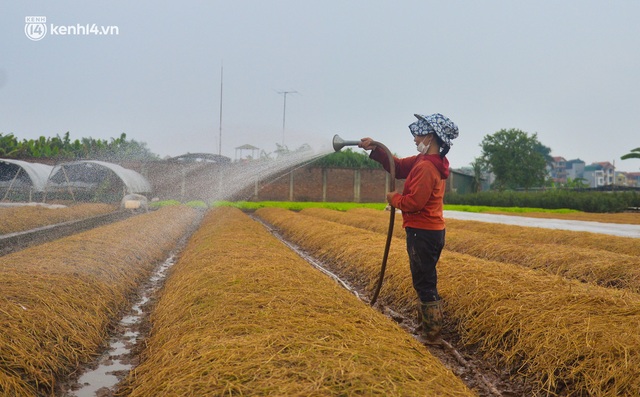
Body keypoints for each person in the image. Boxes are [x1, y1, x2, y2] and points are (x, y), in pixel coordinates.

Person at [358, 113, 459, 341]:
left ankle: (431, 333)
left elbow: (414, 203)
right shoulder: (425, 161)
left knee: (424, 280)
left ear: (431, 137)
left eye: (419, 135)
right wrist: (376, 149)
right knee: (423, 278)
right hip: (427, 231)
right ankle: (426, 327)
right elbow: (399, 167)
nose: (415, 139)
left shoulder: (426, 168)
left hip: (424, 233)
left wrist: (394, 199)